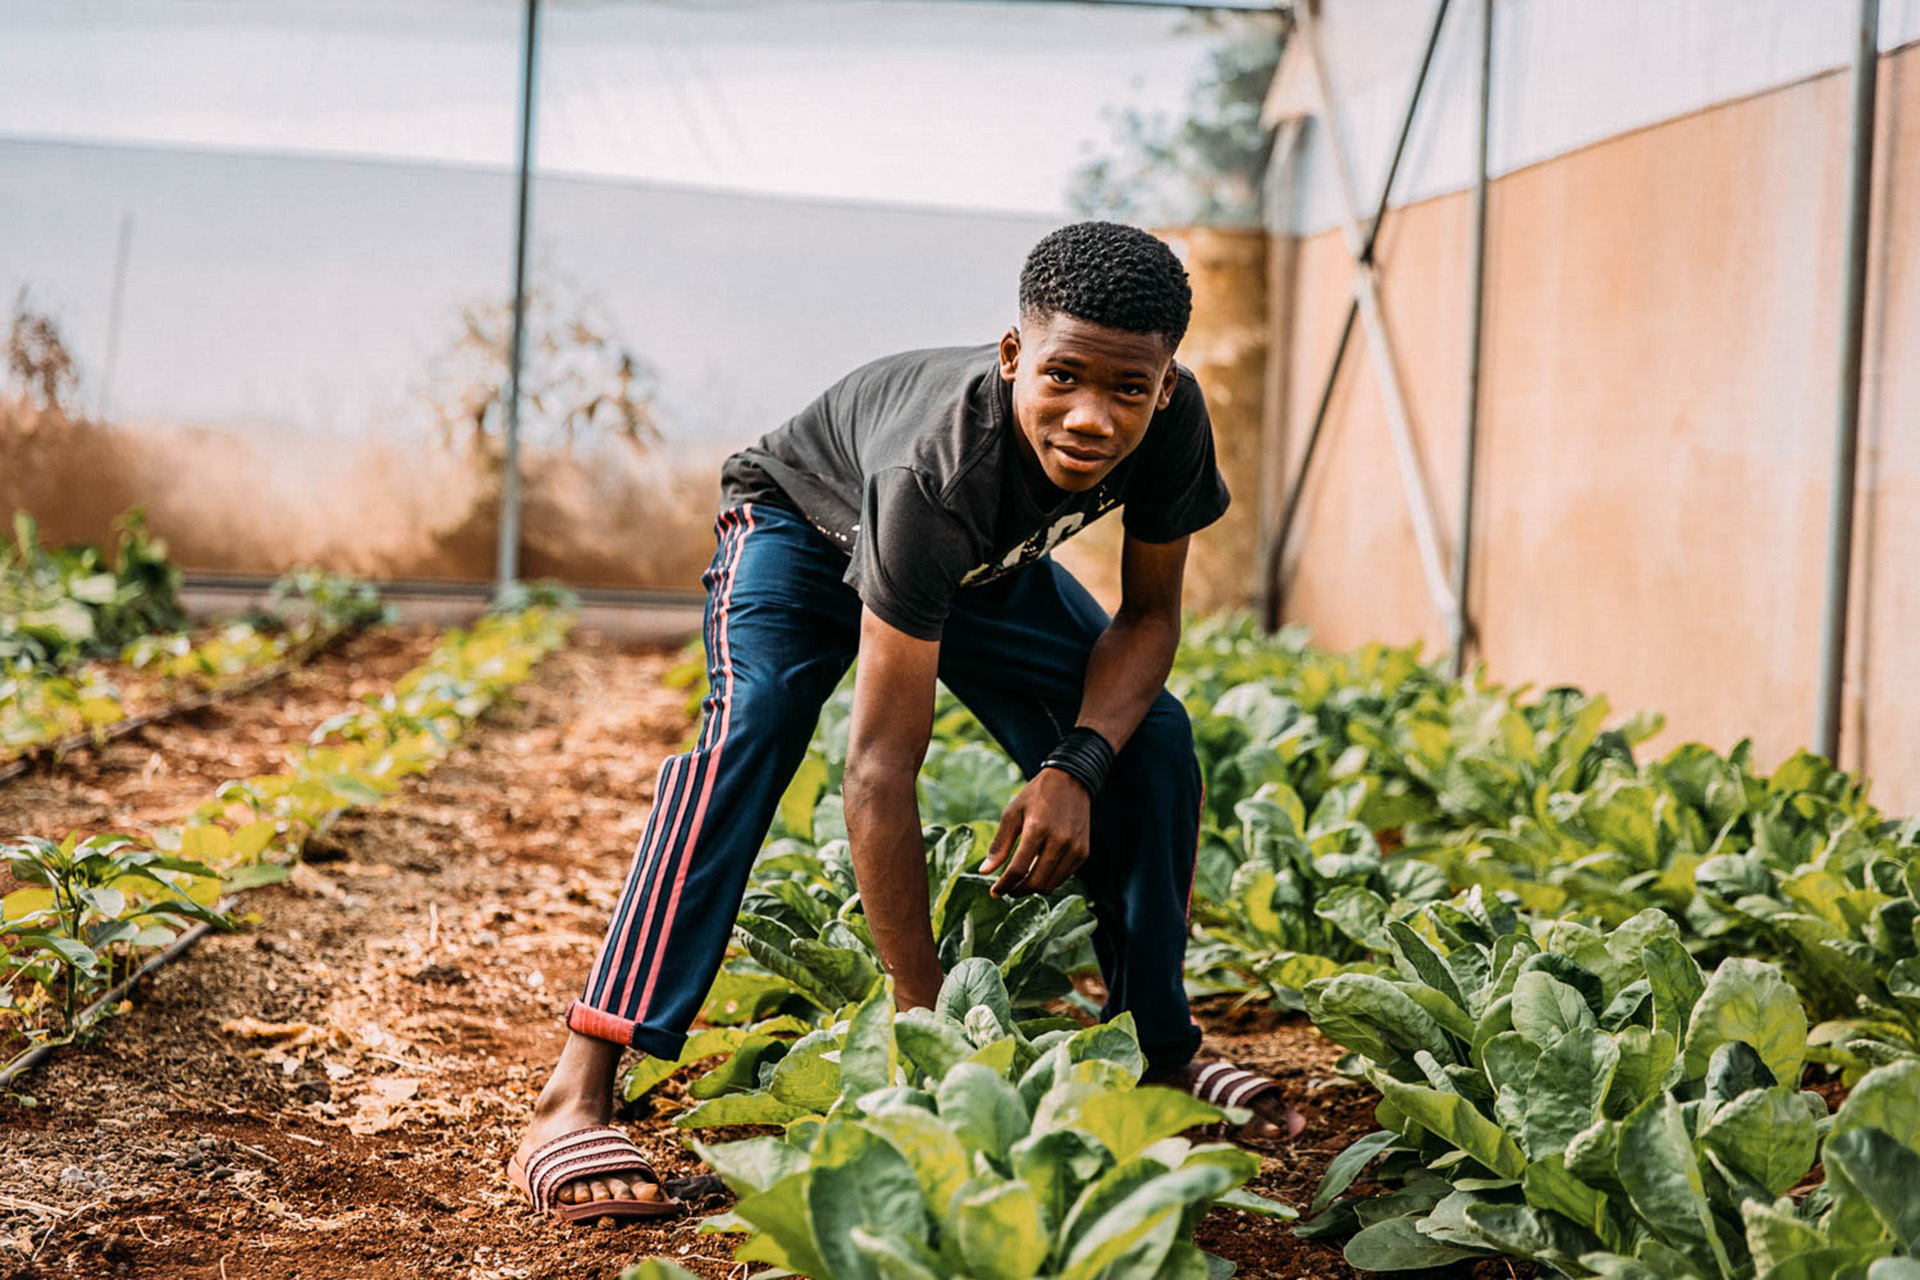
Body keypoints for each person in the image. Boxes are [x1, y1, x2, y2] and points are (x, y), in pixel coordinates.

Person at [508, 221, 1303, 1224]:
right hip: (804, 524)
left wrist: (1078, 761)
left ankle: (1163, 1044)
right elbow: (881, 767)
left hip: (978, 565)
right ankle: (576, 1085)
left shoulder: (1176, 425)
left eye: (1127, 390)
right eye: (1062, 377)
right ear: (1014, 354)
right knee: (752, 729)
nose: (1093, 418)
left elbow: (1148, 616)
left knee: (1156, 741)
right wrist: (930, 1028)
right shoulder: (937, 471)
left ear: (1167, 385)